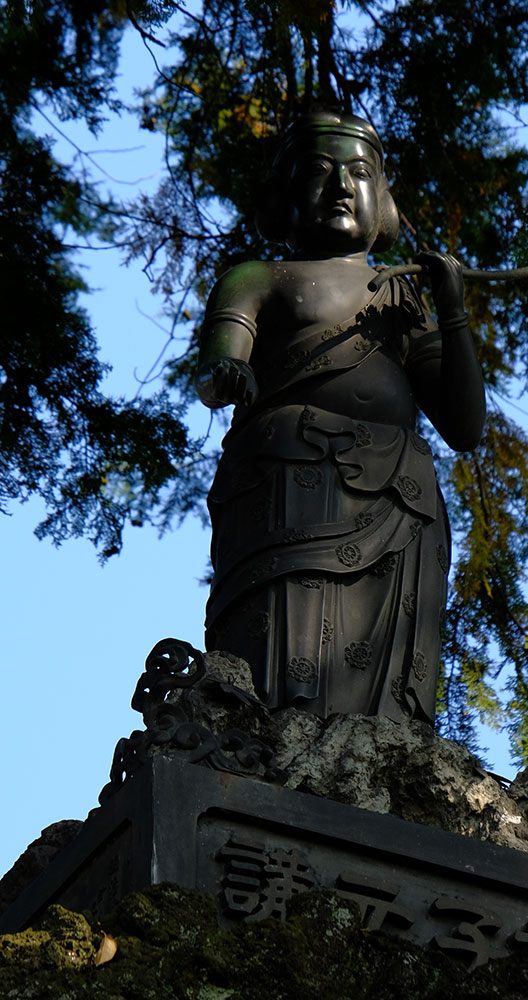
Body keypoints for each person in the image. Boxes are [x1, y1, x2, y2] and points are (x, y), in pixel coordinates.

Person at [195, 110, 485, 724]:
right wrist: (229, 373)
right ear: (285, 194)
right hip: (293, 476)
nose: (340, 187)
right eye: (318, 172)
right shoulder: (256, 279)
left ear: (382, 198)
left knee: (385, 696)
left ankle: (382, 749)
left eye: (359, 173)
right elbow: (222, 362)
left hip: (399, 495)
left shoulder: (401, 296)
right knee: (288, 658)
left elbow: (464, 426)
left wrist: (453, 313)